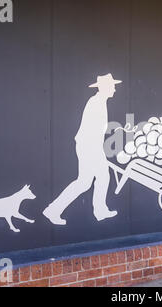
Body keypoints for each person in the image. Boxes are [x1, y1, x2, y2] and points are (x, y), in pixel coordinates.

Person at [43, 73, 121, 225]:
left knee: (91, 181)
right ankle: (56, 210)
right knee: (91, 180)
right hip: (89, 146)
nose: (115, 89)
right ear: (105, 87)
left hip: (90, 146)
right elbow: (91, 130)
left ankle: (98, 210)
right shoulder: (96, 102)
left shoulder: (100, 101)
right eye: (112, 86)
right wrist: (96, 152)